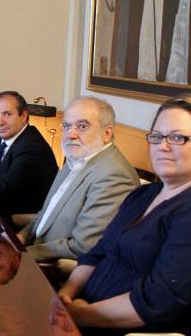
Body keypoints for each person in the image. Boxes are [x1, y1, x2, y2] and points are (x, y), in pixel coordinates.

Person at [59, 94, 191, 336]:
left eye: (177, 137)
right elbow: (98, 253)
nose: (163, 146)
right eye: (157, 137)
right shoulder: (144, 193)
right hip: (80, 322)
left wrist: (82, 315)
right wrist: (66, 294)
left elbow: (157, 300)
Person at [18, 96, 139, 262]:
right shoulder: (76, 157)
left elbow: (83, 247)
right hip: (32, 251)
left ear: (107, 133)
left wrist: (21, 254)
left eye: (82, 126)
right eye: (67, 126)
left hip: (51, 270)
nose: (71, 134)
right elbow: (46, 214)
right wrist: (20, 238)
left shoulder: (113, 177)